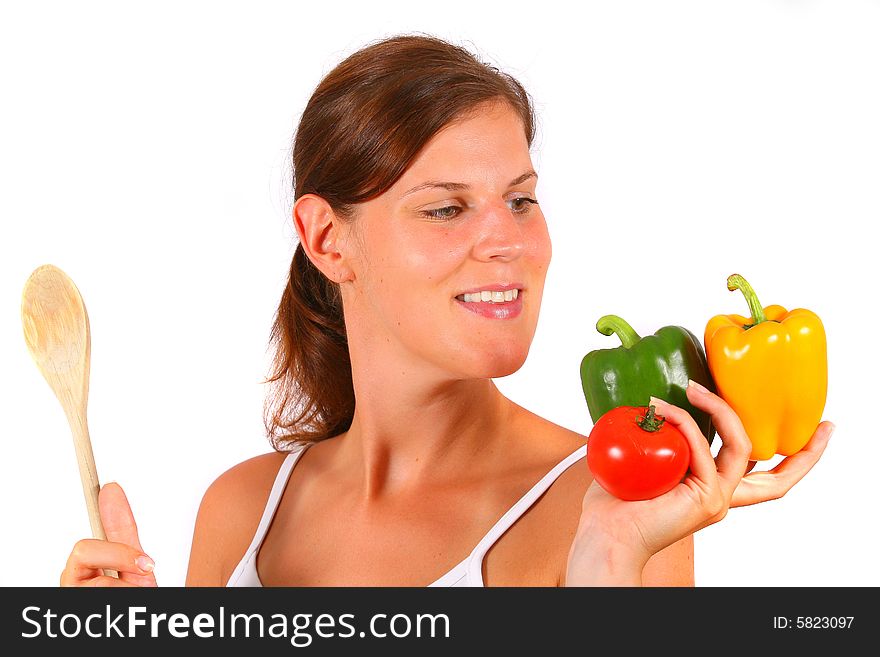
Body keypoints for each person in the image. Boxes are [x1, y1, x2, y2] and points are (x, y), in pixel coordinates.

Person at [60, 33, 833, 588]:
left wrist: (610, 569)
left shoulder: (609, 509)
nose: (509, 243)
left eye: (521, 200)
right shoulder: (241, 512)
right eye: (444, 209)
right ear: (327, 239)